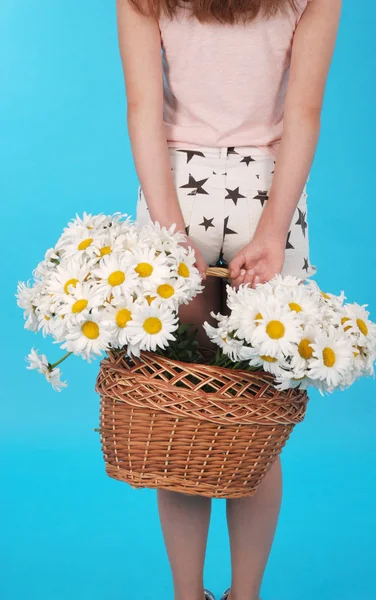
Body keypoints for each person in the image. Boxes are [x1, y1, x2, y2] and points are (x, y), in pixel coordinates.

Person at [117, 0, 341, 599]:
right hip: (268, 186)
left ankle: (188, 595)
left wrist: (167, 231)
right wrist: (270, 231)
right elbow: (304, 110)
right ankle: (245, 596)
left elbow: (143, 110)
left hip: (174, 184)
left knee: (181, 415)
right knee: (256, 418)